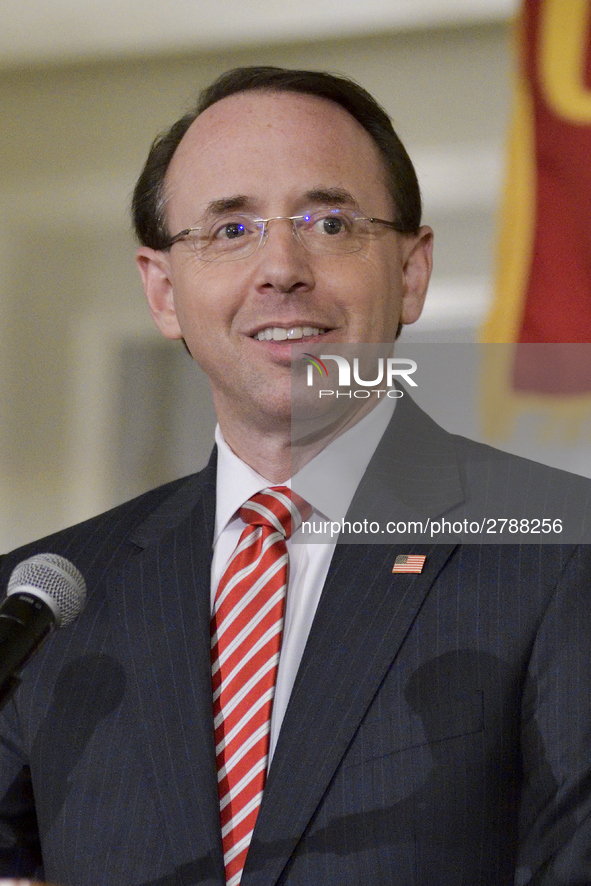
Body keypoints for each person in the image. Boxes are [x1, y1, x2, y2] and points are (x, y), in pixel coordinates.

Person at [0, 66, 589, 886]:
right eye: (230, 230)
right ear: (164, 292)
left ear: (411, 273)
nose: (281, 268)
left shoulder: (562, 553)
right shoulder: (37, 606)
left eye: (330, 222)